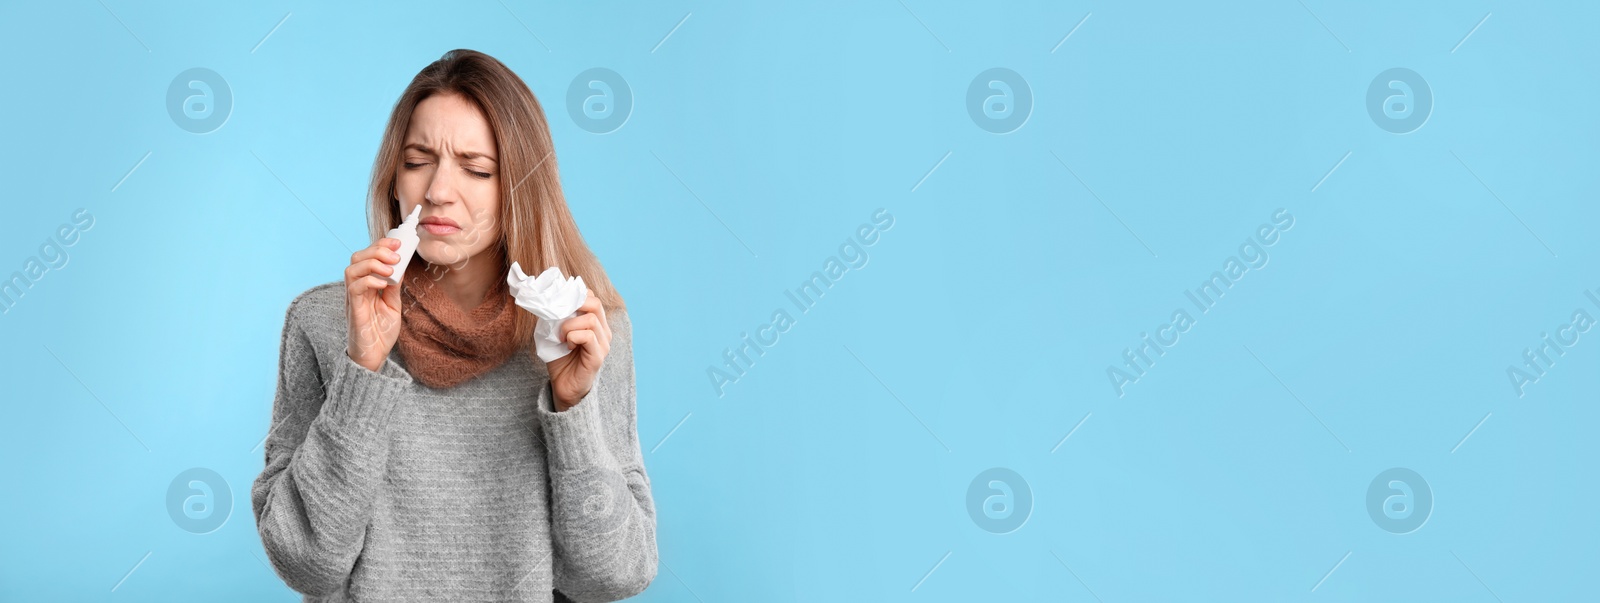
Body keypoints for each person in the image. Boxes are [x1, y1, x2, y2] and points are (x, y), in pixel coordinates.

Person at [251, 49, 657, 602]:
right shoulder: (324, 324)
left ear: (518, 186)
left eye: (476, 168)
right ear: (394, 178)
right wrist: (362, 371)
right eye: (418, 161)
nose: (439, 190)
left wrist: (571, 409)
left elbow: (612, 575)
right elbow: (308, 564)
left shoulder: (585, 332)